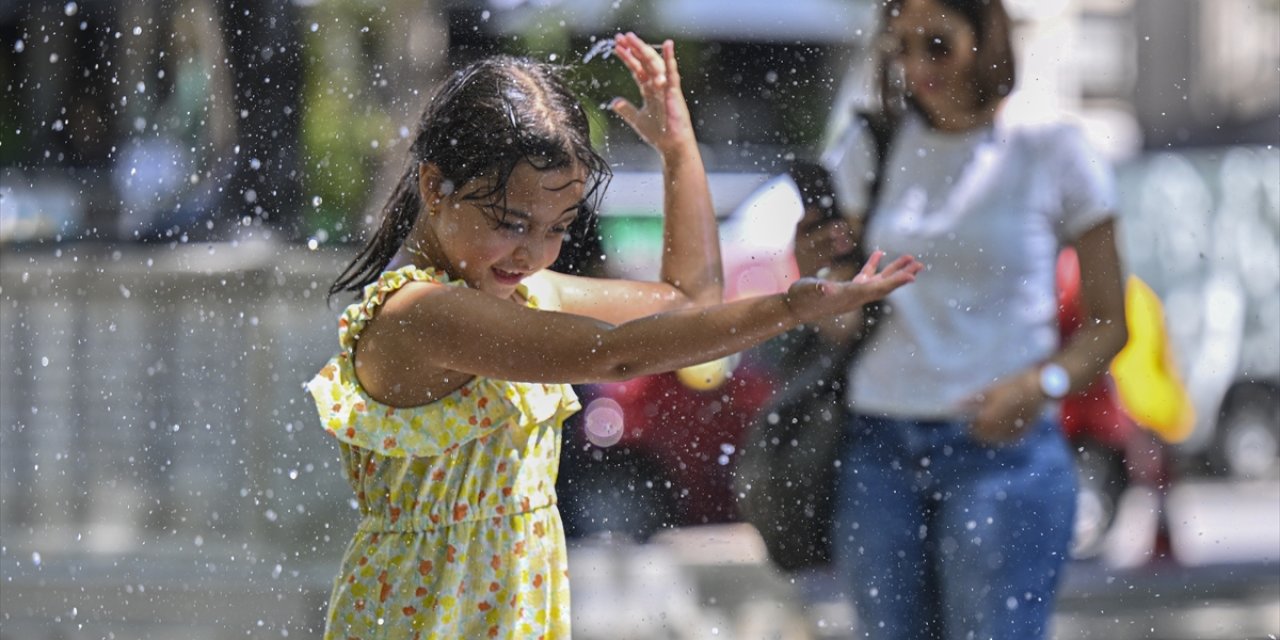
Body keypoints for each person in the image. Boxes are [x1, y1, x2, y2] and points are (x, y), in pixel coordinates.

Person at [307, 32, 923, 639]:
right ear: (434, 186)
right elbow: (617, 354)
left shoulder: (521, 292)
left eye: (558, 228)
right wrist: (788, 308)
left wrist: (679, 150)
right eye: (512, 222)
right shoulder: (419, 313)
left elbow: (687, 304)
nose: (534, 251)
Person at [801, 1, 1130, 638]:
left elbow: (1111, 325)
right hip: (879, 447)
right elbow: (840, 324)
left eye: (937, 44)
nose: (918, 65)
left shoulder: (1051, 150)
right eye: (902, 48)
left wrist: (1041, 387)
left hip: (1004, 453)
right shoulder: (872, 147)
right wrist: (816, 281)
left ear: (986, 37)